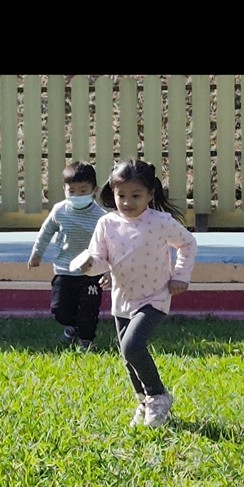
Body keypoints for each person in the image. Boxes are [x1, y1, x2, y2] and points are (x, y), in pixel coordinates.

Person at [73, 159, 197, 428]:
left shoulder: (160, 222)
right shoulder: (107, 224)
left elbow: (188, 243)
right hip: (122, 299)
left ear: (150, 194)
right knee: (127, 356)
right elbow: (100, 260)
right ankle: (144, 402)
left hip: (155, 296)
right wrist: (89, 265)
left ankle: (158, 396)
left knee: (132, 346)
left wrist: (180, 276)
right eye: (121, 196)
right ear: (113, 193)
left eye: (136, 196)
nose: (127, 202)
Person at [27, 161, 107, 350]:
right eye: (72, 191)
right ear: (64, 189)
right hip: (64, 270)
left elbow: (108, 244)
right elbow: (46, 232)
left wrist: (107, 270)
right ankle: (72, 327)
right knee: (59, 310)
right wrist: (37, 254)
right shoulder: (59, 210)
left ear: (94, 190)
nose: (77, 195)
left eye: (83, 191)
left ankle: (86, 342)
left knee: (89, 310)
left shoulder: (101, 217)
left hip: (91, 273)